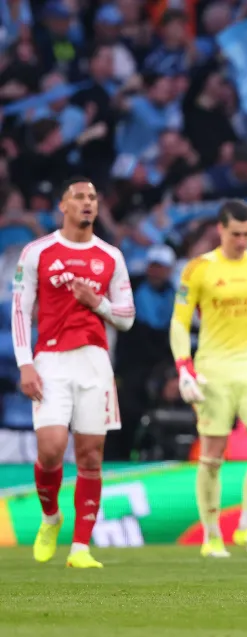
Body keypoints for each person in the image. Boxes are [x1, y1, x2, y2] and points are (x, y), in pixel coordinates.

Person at [13, 177, 136, 569]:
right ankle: (51, 518)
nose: (88, 203)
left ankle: (81, 548)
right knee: (50, 451)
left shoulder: (111, 256)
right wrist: (25, 362)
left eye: (93, 198)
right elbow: (20, 310)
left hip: (95, 363)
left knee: (90, 457)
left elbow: (127, 317)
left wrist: (96, 301)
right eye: (79, 197)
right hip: (49, 360)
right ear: (62, 206)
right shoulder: (38, 251)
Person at [169, 199, 247, 559]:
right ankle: (211, 535)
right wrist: (184, 366)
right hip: (214, 370)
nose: (241, 240)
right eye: (235, 233)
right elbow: (178, 322)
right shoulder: (198, 269)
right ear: (220, 230)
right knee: (212, 454)